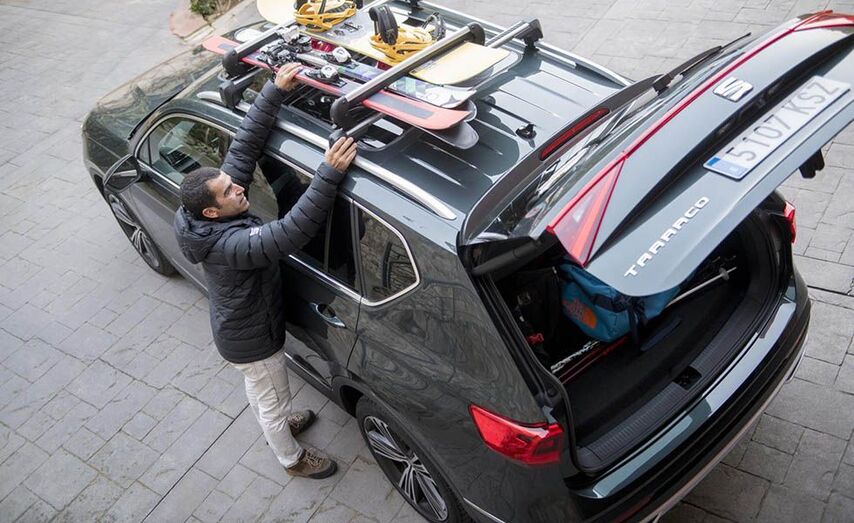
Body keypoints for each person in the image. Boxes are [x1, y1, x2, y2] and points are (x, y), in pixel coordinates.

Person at [173, 63, 357, 479]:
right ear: (212, 210)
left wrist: (273, 90)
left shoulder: (205, 213)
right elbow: (291, 232)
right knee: (272, 399)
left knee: (262, 392)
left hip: (237, 331)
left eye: (230, 183)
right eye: (229, 191)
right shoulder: (230, 246)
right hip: (254, 342)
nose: (239, 187)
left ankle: (279, 422)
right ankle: (292, 459)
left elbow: (242, 150)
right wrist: (328, 173)